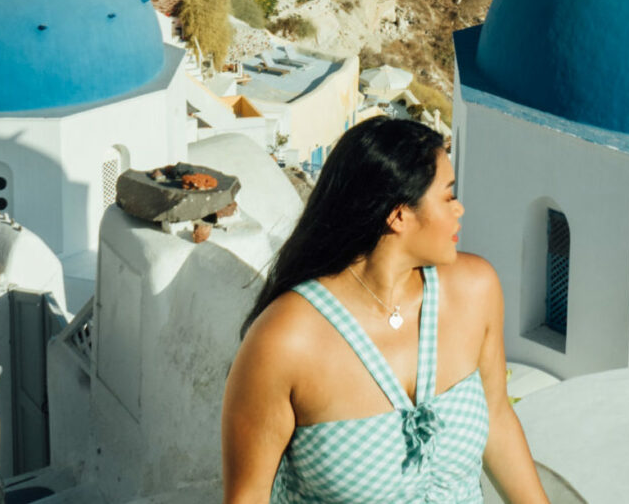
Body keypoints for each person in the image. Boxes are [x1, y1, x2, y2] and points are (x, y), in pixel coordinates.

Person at [222, 117, 550, 503]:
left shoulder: (474, 291)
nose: (459, 209)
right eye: (447, 196)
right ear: (398, 215)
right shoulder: (286, 341)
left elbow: (497, 419)